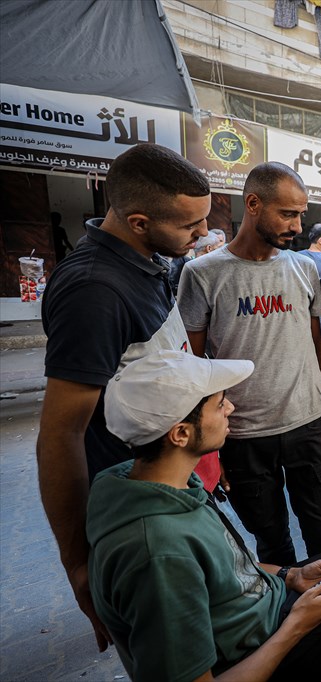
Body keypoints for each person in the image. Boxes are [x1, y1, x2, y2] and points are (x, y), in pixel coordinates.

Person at [89, 350, 321, 681]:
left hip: (269, 605)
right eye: (219, 405)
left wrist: (290, 573)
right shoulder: (157, 554)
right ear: (181, 433)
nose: (231, 409)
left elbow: (227, 568)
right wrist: (295, 627)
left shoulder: (154, 480)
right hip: (269, 644)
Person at [38, 143, 211, 653]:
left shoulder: (146, 263)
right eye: (190, 226)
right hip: (137, 507)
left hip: (173, 485)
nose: (203, 235)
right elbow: (60, 433)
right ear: (138, 222)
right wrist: (78, 563)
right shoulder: (95, 292)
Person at [178, 162, 321, 566]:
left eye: (301, 214)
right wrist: (208, 452)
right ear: (253, 204)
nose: (298, 226)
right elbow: (192, 366)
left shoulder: (304, 267)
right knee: (271, 541)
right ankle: (288, 616)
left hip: (309, 426)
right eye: (288, 214)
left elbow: (316, 346)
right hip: (242, 437)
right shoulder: (202, 275)